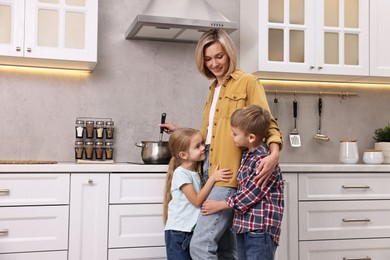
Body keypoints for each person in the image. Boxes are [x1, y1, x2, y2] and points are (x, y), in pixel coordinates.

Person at [160, 28, 283, 259]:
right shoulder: (213, 89)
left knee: (200, 245)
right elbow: (210, 135)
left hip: (228, 176)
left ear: (229, 54)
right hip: (208, 175)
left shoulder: (247, 82)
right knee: (226, 250)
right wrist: (181, 132)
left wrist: (274, 153)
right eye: (208, 59)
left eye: (219, 56)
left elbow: (268, 122)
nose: (214, 63)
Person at [201, 105, 284, 260]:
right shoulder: (247, 155)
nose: (232, 137)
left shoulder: (262, 160)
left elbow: (252, 193)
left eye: (234, 134)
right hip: (244, 227)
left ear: (251, 137)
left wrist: (220, 205)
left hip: (259, 229)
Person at [163, 128, 233, 260]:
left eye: (202, 144)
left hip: (189, 231)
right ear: (183, 155)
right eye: (197, 146)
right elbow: (196, 201)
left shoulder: (195, 173)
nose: (203, 148)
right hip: (179, 233)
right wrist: (213, 178)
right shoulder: (181, 173)